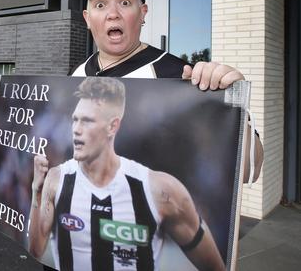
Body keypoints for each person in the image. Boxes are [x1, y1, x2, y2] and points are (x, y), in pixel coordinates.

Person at [0, 0, 264, 271]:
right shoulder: (78, 75)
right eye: (100, 4)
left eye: (124, 3)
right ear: (88, 19)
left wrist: (234, 107)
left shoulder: (179, 77)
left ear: (143, 12)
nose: (112, 13)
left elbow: (249, 169)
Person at [28, 77, 225, 270]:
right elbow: (35, 250)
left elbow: (216, 267)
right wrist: (36, 192)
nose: (76, 130)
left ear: (112, 126)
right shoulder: (56, 178)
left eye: (87, 121)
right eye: (75, 120)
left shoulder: (161, 190)